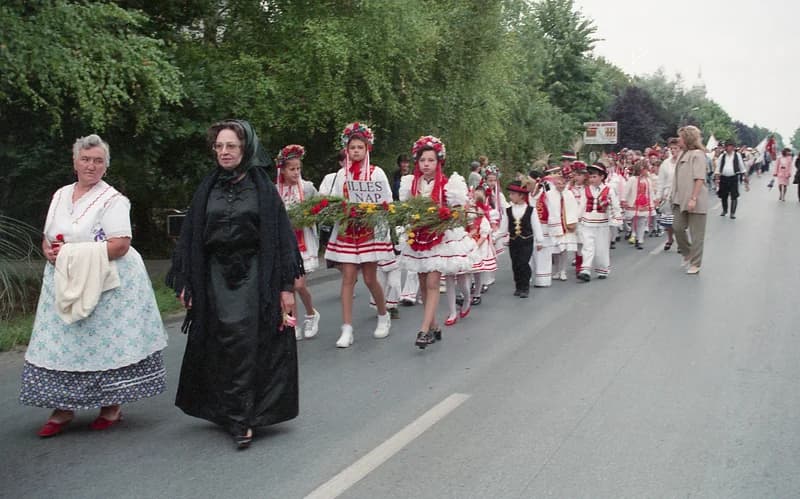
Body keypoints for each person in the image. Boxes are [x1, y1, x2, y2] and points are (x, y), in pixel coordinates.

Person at [166, 119, 303, 449]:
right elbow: (191, 239)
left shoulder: (263, 190)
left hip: (255, 273)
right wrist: (188, 283)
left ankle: (242, 419)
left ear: (246, 149)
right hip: (213, 274)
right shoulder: (207, 188)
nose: (224, 152)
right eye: (220, 146)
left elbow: (282, 241)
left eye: (232, 146)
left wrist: (285, 288)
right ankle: (227, 410)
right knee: (219, 343)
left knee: (243, 340)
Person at [21, 134, 167, 438]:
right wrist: (47, 249)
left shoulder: (113, 200)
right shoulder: (61, 195)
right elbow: (50, 234)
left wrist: (72, 253)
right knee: (64, 341)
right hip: (64, 278)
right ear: (75, 162)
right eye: (85, 159)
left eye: (98, 161)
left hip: (107, 281)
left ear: (106, 166)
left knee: (103, 344)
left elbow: (120, 246)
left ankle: (111, 406)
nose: (91, 165)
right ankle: (62, 408)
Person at [398, 135, 474, 348]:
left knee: (432, 283)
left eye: (431, 160)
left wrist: (449, 215)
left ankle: (423, 331)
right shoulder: (410, 184)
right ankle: (434, 327)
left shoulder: (450, 184)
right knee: (423, 284)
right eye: (423, 161)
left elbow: (459, 210)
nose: (426, 165)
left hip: (439, 238)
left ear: (439, 161)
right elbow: (406, 209)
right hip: (418, 236)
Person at [323, 122, 393, 347]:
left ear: (367, 149)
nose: (355, 151)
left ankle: (383, 315)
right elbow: (335, 201)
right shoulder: (341, 174)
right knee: (348, 277)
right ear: (347, 150)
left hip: (368, 231)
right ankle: (347, 328)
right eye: (352, 147)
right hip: (347, 231)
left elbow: (387, 201)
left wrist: (372, 210)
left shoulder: (376, 172)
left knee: (370, 278)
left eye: (359, 147)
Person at [276, 144, 322, 340]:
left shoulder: (307, 188)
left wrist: (310, 216)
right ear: (283, 170)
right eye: (292, 169)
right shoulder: (275, 190)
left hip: (303, 239)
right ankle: (292, 321)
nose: (296, 173)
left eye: (298, 169)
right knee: (288, 285)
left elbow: (320, 206)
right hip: (284, 243)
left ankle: (311, 313)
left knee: (298, 284)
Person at [671, 125, 709, 275]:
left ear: (687, 138)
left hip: (695, 199)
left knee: (697, 234)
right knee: (677, 227)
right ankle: (687, 252)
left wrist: (693, 198)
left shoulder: (697, 154)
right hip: (680, 199)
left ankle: (696, 263)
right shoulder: (682, 154)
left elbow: (699, 178)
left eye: (680, 137)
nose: (678, 139)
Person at [577, 163, 623, 282]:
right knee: (587, 247)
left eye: (595, 177)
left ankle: (602, 269)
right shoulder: (585, 190)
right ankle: (585, 270)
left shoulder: (609, 190)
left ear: (602, 177)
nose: (592, 180)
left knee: (601, 248)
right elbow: (581, 205)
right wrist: (578, 219)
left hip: (602, 223)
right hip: (587, 222)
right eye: (591, 177)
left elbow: (615, 206)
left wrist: (616, 218)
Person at [501, 180, 544, 298]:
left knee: (523, 263)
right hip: (514, 241)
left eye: (513, 194)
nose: (510, 196)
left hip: (527, 241)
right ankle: (518, 285)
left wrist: (540, 241)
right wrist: (495, 236)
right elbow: (503, 227)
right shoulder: (509, 210)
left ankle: (525, 286)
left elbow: (536, 226)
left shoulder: (531, 210)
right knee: (515, 264)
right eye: (510, 194)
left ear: (521, 195)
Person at [622, 161, 655, 250]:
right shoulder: (633, 179)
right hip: (634, 203)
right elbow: (626, 190)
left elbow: (650, 192)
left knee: (642, 221)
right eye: (645, 169)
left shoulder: (648, 180)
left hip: (644, 203)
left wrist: (652, 202)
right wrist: (624, 200)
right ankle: (634, 234)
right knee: (635, 220)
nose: (646, 171)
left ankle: (640, 240)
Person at [714, 140, 748, 218]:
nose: (730, 148)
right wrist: (717, 177)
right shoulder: (722, 156)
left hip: (733, 177)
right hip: (723, 177)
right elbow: (718, 167)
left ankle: (732, 213)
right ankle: (724, 210)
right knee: (723, 195)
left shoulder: (737, 155)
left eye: (731, 146)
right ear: (726, 147)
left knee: (734, 195)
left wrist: (745, 177)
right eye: (728, 146)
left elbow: (742, 167)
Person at [655, 138, 679, 251]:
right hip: (668, 194)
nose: (673, 150)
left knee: (679, 220)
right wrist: (658, 196)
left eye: (676, 148)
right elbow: (661, 181)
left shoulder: (683, 162)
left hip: (680, 194)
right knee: (668, 221)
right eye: (671, 148)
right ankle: (670, 239)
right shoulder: (666, 163)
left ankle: (680, 241)